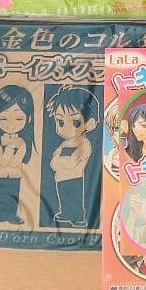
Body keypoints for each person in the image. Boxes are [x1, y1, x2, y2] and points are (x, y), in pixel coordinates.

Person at [46, 87, 100, 228]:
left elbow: (72, 162)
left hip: (76, 179)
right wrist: (61, 162)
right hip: (60, 178)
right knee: (64, 197)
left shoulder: (84, 144)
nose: (66, 128)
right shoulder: (64, 144)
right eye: (60, 122)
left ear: (90, 123)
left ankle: (78, 217)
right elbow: (53, 163)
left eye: (76, 122)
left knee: (76, 199)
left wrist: (62, 162)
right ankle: (66, 213)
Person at [0, 85, 36, 224]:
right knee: (1, 194)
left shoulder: (21, 143)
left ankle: (12, 215)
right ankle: (1, 213)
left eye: (19, 119)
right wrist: (10, 148)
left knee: (13, 194)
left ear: (28, 119)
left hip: (15, 174)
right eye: (3, 119)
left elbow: (15, 163)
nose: (10, 124)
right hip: (0, 174)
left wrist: (9, 150)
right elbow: (2, 162)